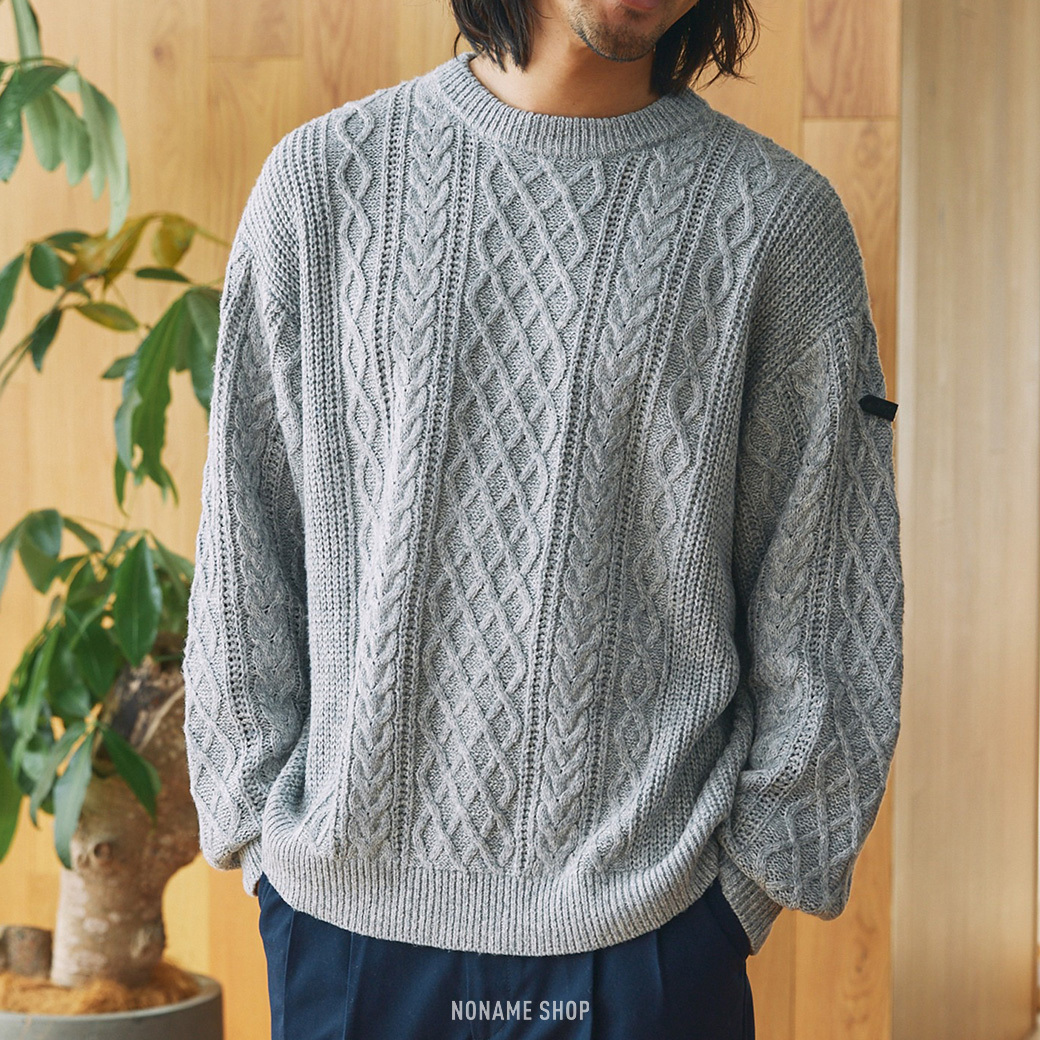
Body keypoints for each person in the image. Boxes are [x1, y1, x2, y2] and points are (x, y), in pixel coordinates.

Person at [181, 0, 904, 1036]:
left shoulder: (776, 225)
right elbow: (245, 542)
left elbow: (829, 598)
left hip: (650, 935)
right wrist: (262, 843)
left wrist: (738, 895)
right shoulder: (322, 184)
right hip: (347, 932)